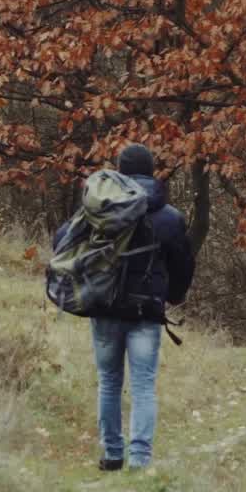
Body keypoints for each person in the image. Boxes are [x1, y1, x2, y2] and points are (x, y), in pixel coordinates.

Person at [55, 143, 195, 471]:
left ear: (119, 169)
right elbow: (183, 263)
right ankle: (141, 459)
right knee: (144, 384)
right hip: (146, 312)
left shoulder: (100, 208)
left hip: (104, 307)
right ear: (151, 171)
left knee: (109, 381)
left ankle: (112, 454)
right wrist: (173, 295)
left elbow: (61, 239)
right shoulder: (169, 216)